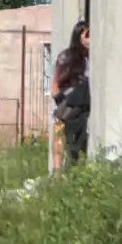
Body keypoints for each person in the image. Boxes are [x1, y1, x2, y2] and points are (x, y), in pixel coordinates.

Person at [52, 19, 91, 168]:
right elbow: (56, 82)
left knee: (79, 141)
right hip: (67, 103)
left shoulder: (93, 57)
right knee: (59, 134)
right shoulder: (67, 57)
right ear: (78, 36)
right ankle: (57, 173)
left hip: (83, 105)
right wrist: (60, 101)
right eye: (87, 35)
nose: (89, 39)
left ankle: (75, 168)